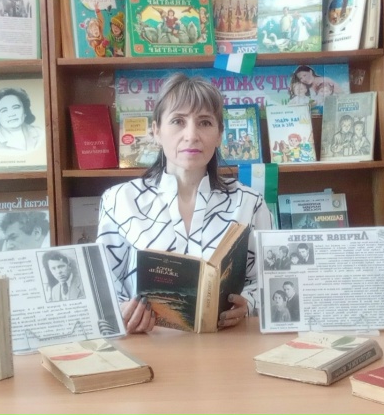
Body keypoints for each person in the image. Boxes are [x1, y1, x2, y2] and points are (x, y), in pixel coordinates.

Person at [97, 73, 273, 333]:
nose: (191, 135)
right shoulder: (119, 200)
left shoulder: (249, 202)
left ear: (219, 134)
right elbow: (102, 287)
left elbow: (268, 281)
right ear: (156, 131)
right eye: (178, 121)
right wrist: (123, 312)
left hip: (226, 346)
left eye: (205, 122)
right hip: (147, 345)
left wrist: (247, 305)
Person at [0, 87, 44, 152]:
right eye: (4, 110)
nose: (11, 114)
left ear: (25, 111)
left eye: (16, 107)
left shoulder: (41, 134)